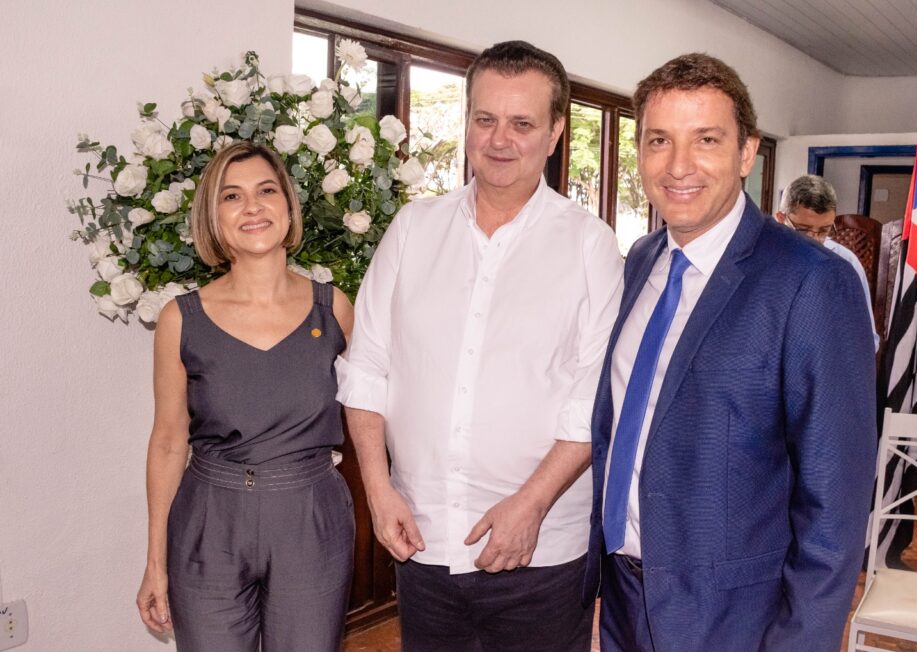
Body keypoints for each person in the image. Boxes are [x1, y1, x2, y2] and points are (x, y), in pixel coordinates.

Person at [585, 53, 877, 650]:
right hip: (622, 596)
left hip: (736, 618)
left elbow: (835, 504)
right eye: (659, 140)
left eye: (706, 139)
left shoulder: (811, 281)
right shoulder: (641, 259)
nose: (678, 165)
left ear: (747, 153)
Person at [338, 41, 623, 651]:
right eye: (485, 118)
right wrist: (378, 489)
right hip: (423, 540)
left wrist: (532, 504)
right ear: (466, 120)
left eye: (522, 124)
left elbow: (595, 397)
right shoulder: (413, 229)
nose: (499, 140)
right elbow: (366, 369)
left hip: (542, 551)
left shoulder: (589, 245)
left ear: (555, 133)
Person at [135, 142, 356, 651]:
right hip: (209, 521)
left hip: (310, 518)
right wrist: (154, 562)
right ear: (213, 217)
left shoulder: (334, 310)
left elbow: (369, 412)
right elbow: (167, 442)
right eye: (232, 196)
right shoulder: (179, 319)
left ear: (288, 205)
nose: (252, 207)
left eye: (266, 191)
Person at [776, 174, 880, 350]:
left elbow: (866, 339)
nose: (815, 240)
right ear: (780, 219)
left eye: (824, 230)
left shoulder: (846, 264)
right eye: (804, 230)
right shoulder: (759, 258)